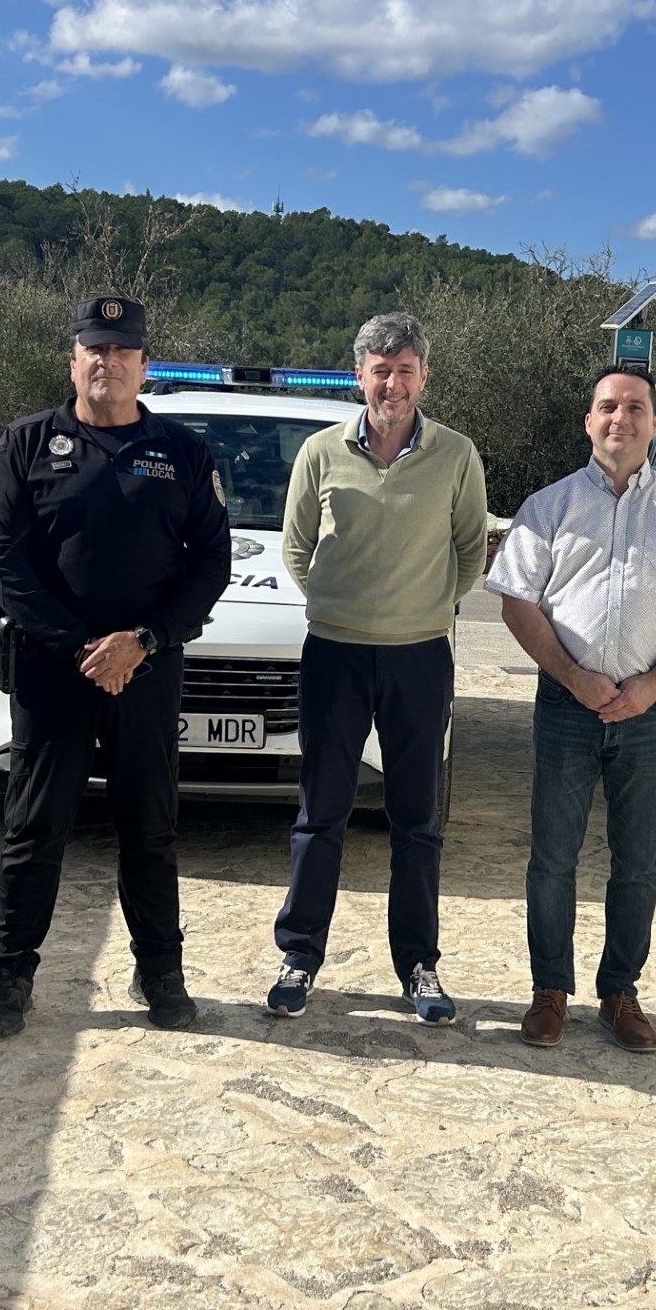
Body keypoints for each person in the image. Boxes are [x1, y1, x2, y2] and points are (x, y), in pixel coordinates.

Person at [0, 295, 231, 1038]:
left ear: (144, 367)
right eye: (95, 348)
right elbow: (0, 561)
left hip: (146, 669)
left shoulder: (182, 452)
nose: (107, 362)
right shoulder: (25, 444)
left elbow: (210, 560)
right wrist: (80, 647)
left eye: (122, 351)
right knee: (34, 828)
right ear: (74, 359)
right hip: (55, 673)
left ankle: (162, 976)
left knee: (149, 831)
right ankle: (8, 977)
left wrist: (142, 640)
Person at [489, 365, 656, 1052]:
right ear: (588, 421)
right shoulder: (548, 507)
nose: (619, 419)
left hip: (647, 711)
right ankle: (550, 992)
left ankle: (620, 993)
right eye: (607, 407)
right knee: (553, 857)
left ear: (655, 424)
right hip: (567, 707)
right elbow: (516, 601)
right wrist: (573, 676)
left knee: (636, 862)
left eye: (634, 408)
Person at [266, 311, 489, 1024]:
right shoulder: (320, 452)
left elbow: (470, 551)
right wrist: (342, 607)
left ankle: (418, 965)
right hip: (334, 652)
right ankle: (300, 955)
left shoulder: (456, 455)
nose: (392, 383)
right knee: (320, 813)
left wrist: (418, 611)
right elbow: (297, 548)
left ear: (423, 376)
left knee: (416, 819)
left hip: (419, 656)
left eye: (404, 370)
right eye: (379, 369)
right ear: (359, 374)